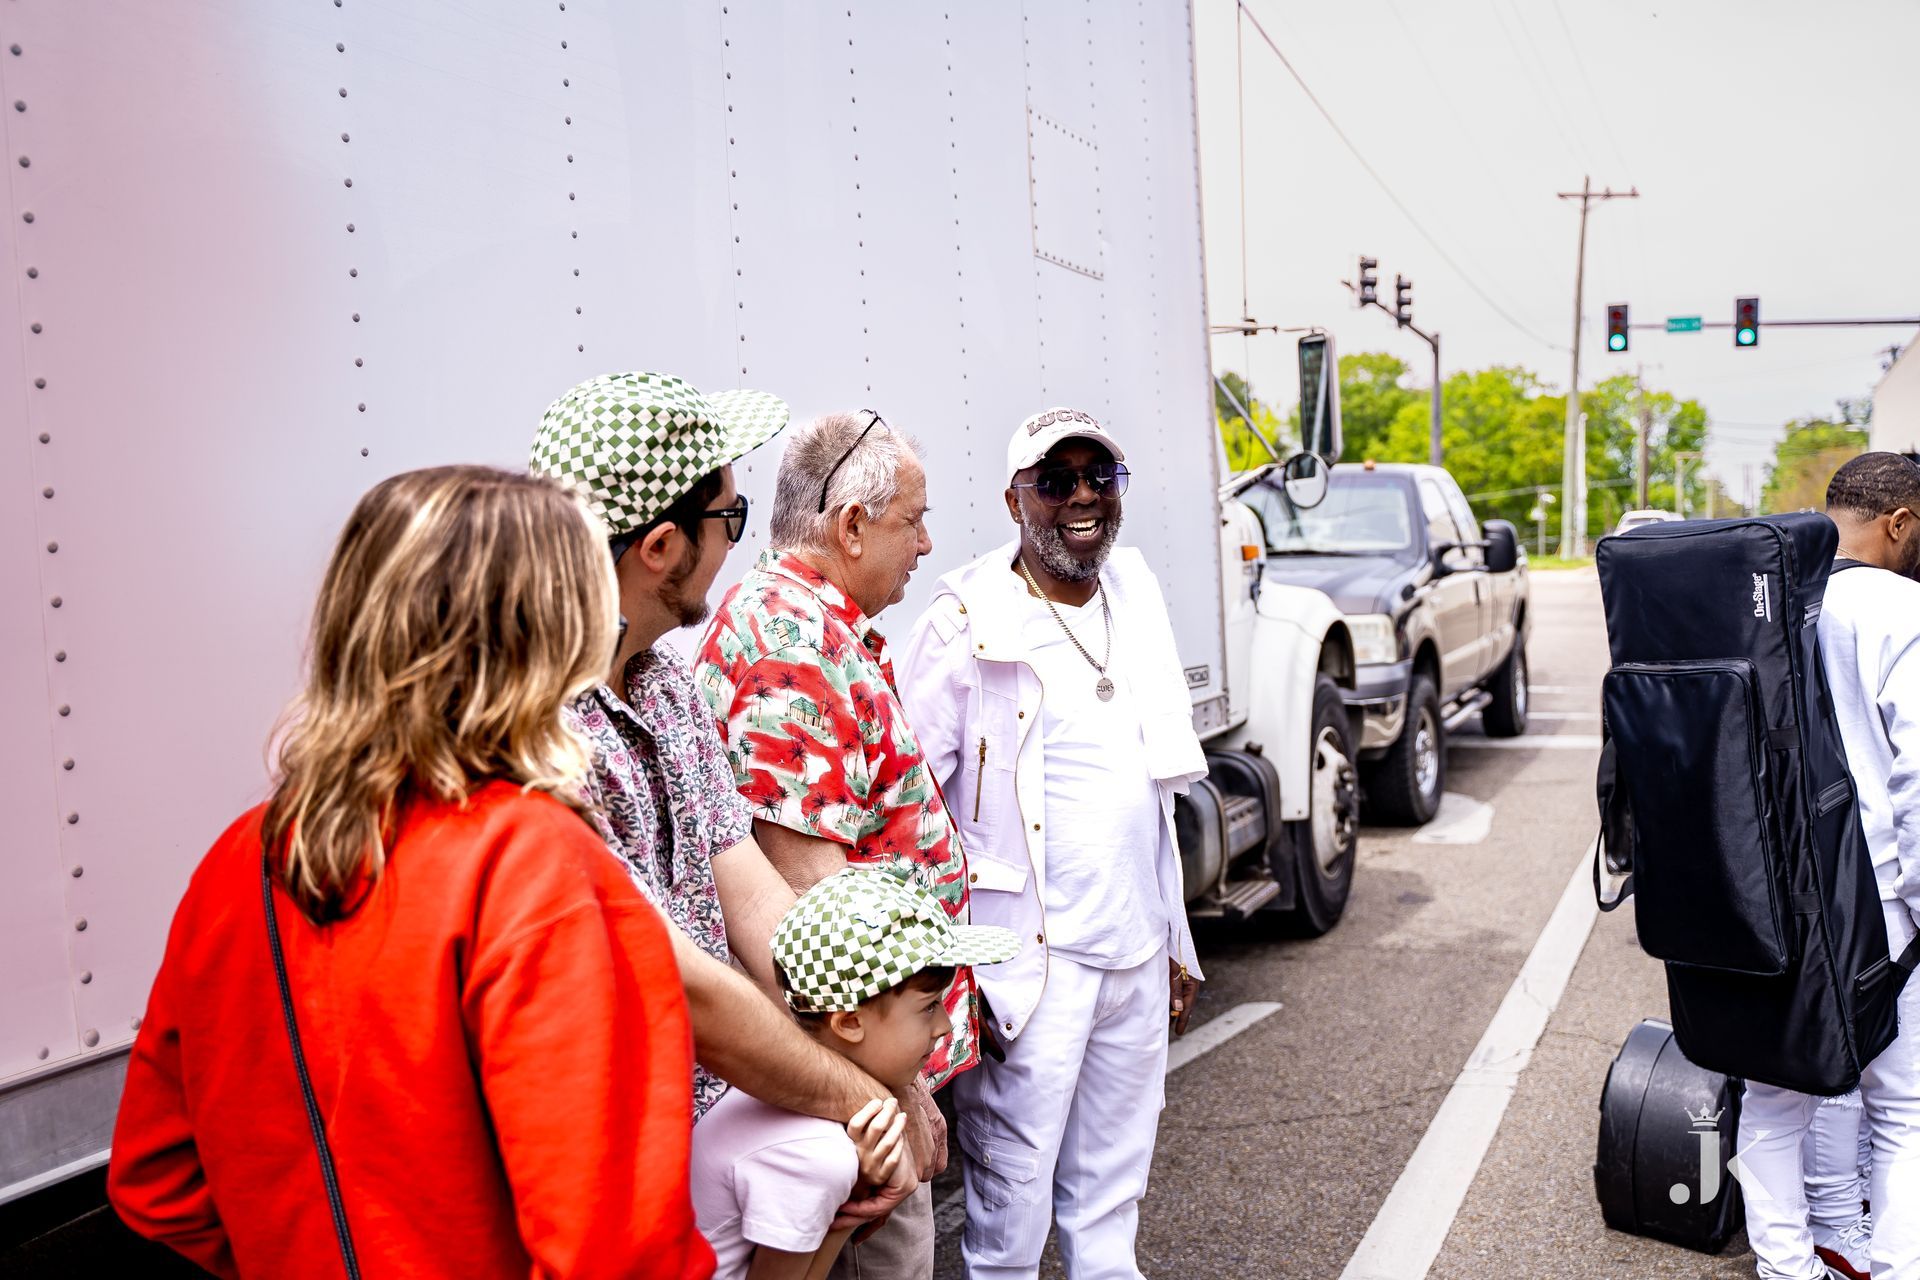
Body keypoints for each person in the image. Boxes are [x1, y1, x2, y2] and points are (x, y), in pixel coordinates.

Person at [108, 466, 713, 1278]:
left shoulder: (240, 861)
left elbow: (157, 1184)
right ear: (548, 638)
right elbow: (613, 1249)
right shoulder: (534, 861)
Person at [529, 373, 913, 1220]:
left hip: (713, 1125)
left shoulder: (663, 687)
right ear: (661, 547)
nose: (741, 543)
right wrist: (854, 1099)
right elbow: (678, 984)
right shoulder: (546, 737)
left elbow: (758, 905)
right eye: (729, 520)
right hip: (621, 1168)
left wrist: (875, 1079)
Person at [898, 407, 1208, 1280]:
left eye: (1098, 478)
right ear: (1014, 500)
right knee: (1010, 1215)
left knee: (1113, 1203)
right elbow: (914, 811)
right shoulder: (968, 621)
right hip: (1029, 973)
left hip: (1134, 955)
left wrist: (1175, 946)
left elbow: (1155, 794)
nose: (1081, 497)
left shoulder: (1135, 596)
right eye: (1055, 480)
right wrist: (948, 982)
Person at [694, 409, 960, 1279]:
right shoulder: (792, 647)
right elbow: (809, 900)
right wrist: (891, 1090)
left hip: (858, 1065)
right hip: (849, 1083)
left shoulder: (810, 623)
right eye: (911, 519)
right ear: (850, 526)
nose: (926, 542)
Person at [1736, 451, 1920, 1280]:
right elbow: (1916, 778)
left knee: (1775, 1100)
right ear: (1900, 522)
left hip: (1768, 898)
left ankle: (1788, 1267)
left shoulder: (1773, 599)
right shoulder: (1902, 612)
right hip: (1878, 904)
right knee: (1907, 1111)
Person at [692, 869, 1018, 1280]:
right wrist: (851, 1198)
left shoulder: (768, 1095)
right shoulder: (817, 1154)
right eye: (928, 1007)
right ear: (847, 1023)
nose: (945, 1027)